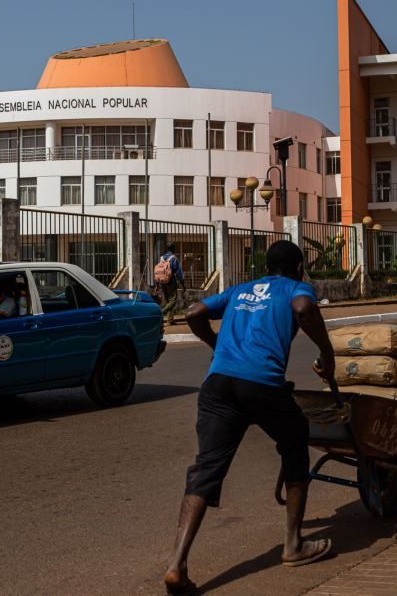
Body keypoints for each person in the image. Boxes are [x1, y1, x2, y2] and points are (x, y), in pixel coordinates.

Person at [163, 240, 335, 594]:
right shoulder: (296, 288)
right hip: (261, 384)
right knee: (295, 441)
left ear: (267, 267)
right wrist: (326, 350)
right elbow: (303, 308)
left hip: (218, 384)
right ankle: (293, 545)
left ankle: (177, 564)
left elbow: (194, 312)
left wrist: (215, 344)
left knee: (207, 467)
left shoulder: (240, 290)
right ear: (300, 268)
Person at [155, 243, 186, 325]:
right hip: (171, 282)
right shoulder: (174, 258)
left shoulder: (161, 258)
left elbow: (159, 272)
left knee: (168, 300)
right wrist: (183, 284)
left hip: (162, 282)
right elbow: (179, 273)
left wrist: (157, 285)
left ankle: (170, 320)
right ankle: (162, 312)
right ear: (173, 249)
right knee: (173, 301)